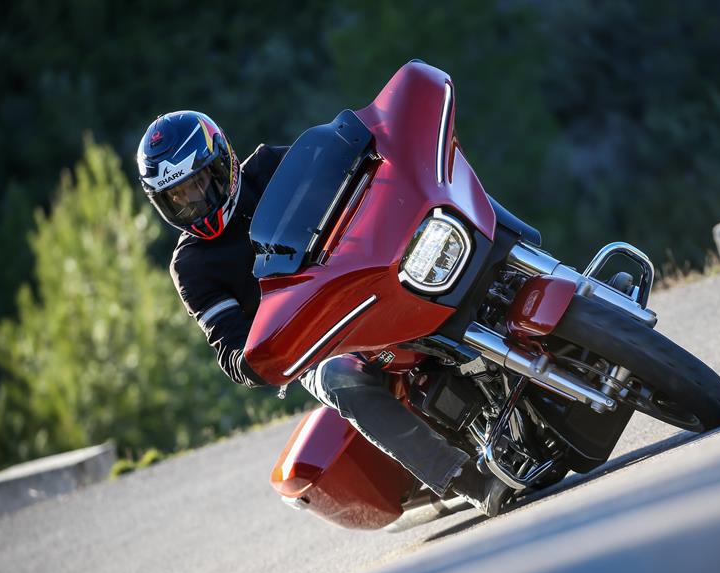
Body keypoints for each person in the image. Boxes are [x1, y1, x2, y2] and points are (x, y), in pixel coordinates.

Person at [137, 110, 510, 516]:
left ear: (222, 164)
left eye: (198, 183)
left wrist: (385, 136)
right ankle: (464, 479)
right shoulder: (192, 265)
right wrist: (258, 358)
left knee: (449, 215)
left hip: (372, 279)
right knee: (338, 378)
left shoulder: (273, 167)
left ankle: (531, 260)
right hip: (317, 341)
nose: (193, 201)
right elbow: (228, 345)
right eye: (178, 197)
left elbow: (363, 160)